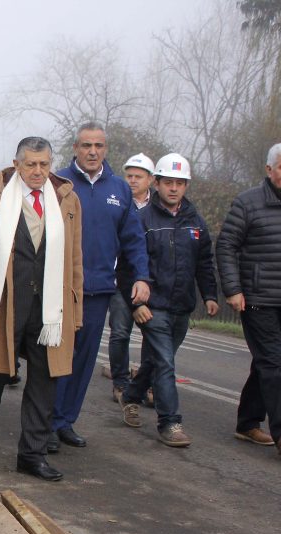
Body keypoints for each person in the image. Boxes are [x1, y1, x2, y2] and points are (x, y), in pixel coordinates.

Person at [0, 137, 83, 482]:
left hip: (50, 313)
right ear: (17, 163)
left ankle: (32, 455)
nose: (38, 171)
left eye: (44, 164)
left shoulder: (67, 200)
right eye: (31, 165)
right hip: (4, 306)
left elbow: (74, 260)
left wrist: (76, 312)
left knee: (44, 383)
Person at [49, 123, 151, 454]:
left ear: (106, 150)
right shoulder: (58, 183)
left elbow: (133, 238)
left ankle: (65, 422)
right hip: (60, 289)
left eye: (99, 146)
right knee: (56, 359)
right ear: (75, 148)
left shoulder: (120, 189)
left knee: (83, 361)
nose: (93, 151)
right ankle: (46, 423)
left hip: (99, 290)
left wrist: (141, 276)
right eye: (86, 145)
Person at [119, 154, 218, 447]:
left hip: (181, 306)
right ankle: (170, 423)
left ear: (186, 185)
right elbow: (126, 266)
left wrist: (210, 295)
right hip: (154, 306)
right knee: (165, 364)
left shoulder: (195, 221)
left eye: (179, 183)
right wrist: (137, 304)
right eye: (168, 182)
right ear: (157, 183)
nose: (173, 188)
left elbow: (204, 262)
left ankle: (132, 394)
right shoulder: (141, 219)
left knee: (157, 360)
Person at [217, 142, 281, 451]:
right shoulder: (248, 203)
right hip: (258, 298)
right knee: (274, 363)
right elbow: (226, 245)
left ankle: (247, 422)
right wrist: (233, 289)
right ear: (269, 170)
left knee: (265, 364)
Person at [108, 153, 156, 402]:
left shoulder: (158, 208)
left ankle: (147, 383)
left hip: (147, 282)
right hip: (119, 281)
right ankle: (120, 382)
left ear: (151, 179)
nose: (133, 181)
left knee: (153, 336)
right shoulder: (116, 202)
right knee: (119, 333)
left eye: (138, 177)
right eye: (129, 176)